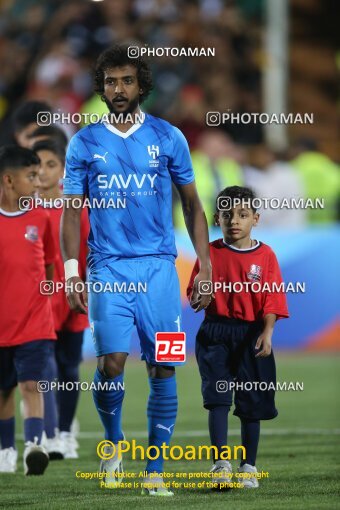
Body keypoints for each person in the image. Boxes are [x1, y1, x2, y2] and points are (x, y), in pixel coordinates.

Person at [60, 44, 211, 496]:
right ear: (101, 88)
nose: (118, 89)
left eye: (126, 80)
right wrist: (71, 273)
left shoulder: (168, 138)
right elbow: (71, 214)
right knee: (110, 363)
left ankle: (156, 471)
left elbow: (193, 205)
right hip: (107, 270)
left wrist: (205, 266)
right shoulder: (84, 142)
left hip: (160, 273)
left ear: (141, 85)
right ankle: (113, 445)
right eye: (110, 81)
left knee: (164, 366)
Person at [187, 186, 289, 488]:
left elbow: (272, 298)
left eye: (242, 215)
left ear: (255, 218)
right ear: (217, 218)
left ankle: (249, 466)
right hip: (215, 333)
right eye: (227, 214)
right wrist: (199, 297)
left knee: (251, 402)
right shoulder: (209, 253)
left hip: (251, 334)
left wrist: (268, 332)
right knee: (217, 398)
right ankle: (220, 464)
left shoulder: (266, 255)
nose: (235, 220)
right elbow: (195, 296)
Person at [0, 145, 56, 475]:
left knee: (31, 385)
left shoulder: (41, 217)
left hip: (35, 322)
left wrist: (40, 299)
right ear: (8, 179)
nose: (37, 183)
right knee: (4, 390)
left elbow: (48, 265)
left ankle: (35, 445)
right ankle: (6, 449)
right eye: (30, 176)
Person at [33, 139, 89, 460]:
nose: (42, 171)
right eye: (37, 165)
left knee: (69, 366)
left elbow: (87, 251)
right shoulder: (26, 208)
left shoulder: (76, 206)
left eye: (50, 164)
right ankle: (47, 431)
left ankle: (66, 432)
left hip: (74, 296)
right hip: (41, 300)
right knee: (44, 365)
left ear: (62, 169)